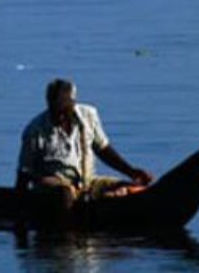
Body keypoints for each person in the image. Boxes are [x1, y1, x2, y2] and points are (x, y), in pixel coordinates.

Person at [16, 79, 154, 211]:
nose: (60, 117)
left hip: (87, 182)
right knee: (65, 194)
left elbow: (103, 149)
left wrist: (131, 172)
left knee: (131, 188)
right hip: (54, 184)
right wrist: (19, 208)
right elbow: (24, 171)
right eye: (55, 112)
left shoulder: (88, 116)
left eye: (64, 111)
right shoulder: (35, 131)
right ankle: (69, 231)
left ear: (73, 103)